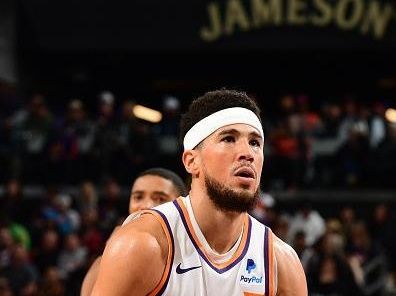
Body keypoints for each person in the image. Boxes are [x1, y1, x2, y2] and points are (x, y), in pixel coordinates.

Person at [91, 89, 307, 295]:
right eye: (228, 139)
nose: (247, 153)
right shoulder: (141, 245)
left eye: (254, 142)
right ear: (192, 161)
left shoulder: (281, 262)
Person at [81, 168, 187, 296]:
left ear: (180, 205)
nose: (146, 205)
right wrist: (110, 251)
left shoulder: (196, 253)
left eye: (160, 198)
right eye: (138, 197)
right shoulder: (113, 251)